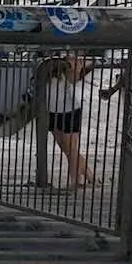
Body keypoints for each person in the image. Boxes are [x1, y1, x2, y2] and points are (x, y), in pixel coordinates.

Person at [42, 53, 93, 188]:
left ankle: (76, 181)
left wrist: (75, 67)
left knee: (70, 148)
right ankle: (88, 174)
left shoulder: (66, 64)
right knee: (66, 148)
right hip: (52, 111)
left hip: (69, 111)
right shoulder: (42, 64)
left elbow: (74, 78)